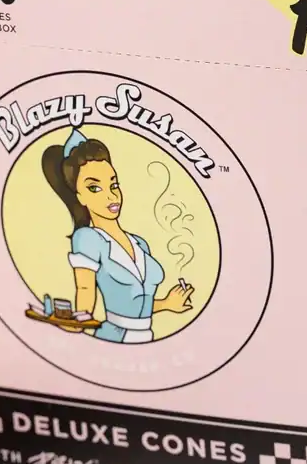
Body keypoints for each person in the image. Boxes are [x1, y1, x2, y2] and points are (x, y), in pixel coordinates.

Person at [41, 129, 194, 343]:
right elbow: (85, 291)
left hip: (146, 337)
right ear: (80, 196)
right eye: (95, 188)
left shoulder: (139, 243)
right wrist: (75, 322)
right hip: (115, 337)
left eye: (113, 185)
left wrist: (168, 304)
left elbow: (136, 303)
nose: (111, 196)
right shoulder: (87, 239)